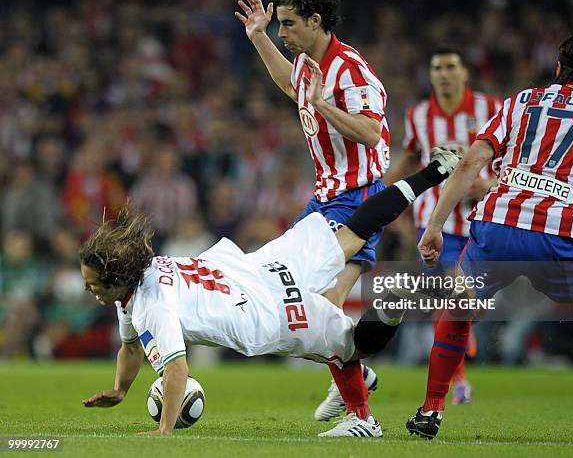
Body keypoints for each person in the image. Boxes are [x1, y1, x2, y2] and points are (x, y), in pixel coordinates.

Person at [80, 148, 460, 437]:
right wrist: (119, 390)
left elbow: (177, 369)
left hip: (268, 315)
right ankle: (433, 172)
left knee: (354, 346)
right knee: (352, 234)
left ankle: (392, 312)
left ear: (116, 278)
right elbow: (130, 347)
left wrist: (163, 431)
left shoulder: (152, 306)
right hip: (260, 266)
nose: (88, 287)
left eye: (93, 282)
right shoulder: (143, 272)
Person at [412, 33, 573, 444]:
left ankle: (431, 410)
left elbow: (471, 161)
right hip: (559, 234)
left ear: (558, 67)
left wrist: (435, 224)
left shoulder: (521, 101)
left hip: (498, 225)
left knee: (459, 307)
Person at [235, 0, 390, 420]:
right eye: (278, 25)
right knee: (303, 305)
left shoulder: (351, 69)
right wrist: (259, 38)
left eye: (287, 24)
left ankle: (360, 411)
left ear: (316, 21)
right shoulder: (306, 62)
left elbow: (370, 131)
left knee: (313, 306)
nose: (283, 33)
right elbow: (291, 86)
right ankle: (355, 376)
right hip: (326, 200)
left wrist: (323, 105)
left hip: (355, 200)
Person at [385, 48, 500, 404]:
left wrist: (492, 184)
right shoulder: (419, 115)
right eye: (437, 68)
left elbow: (513, 157)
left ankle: (465, 337)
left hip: (481, 223)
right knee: (449, 298)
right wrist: (379, 196)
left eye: (451, 67)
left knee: (468, 302)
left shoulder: (491, 109)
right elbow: (409, 153)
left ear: (465, 73)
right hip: (434, 224)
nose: (444, 74)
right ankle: (459, 381)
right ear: (431, 76)